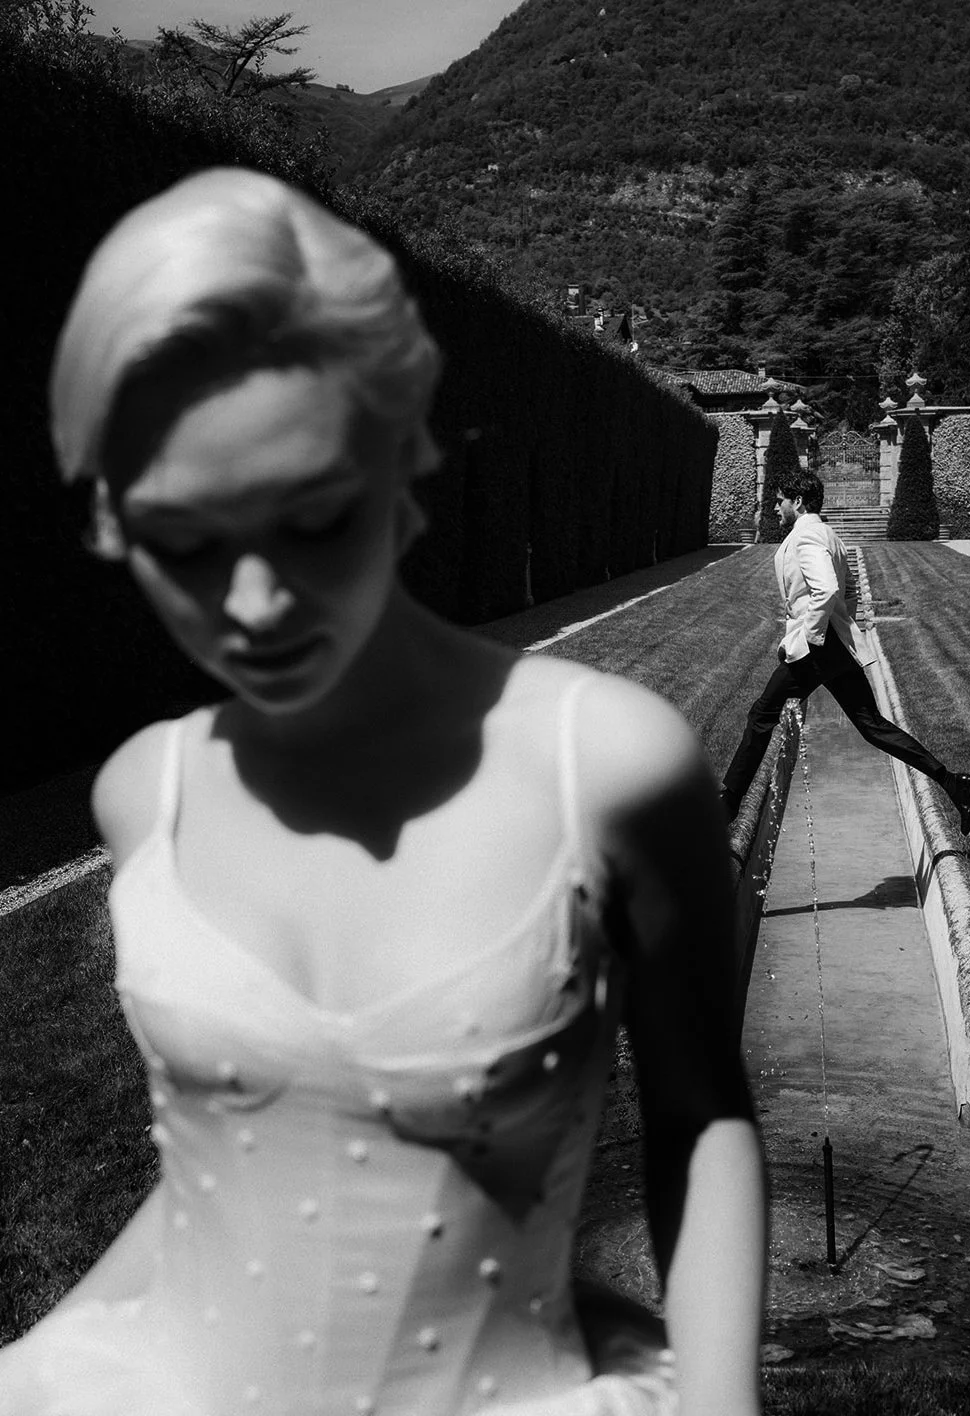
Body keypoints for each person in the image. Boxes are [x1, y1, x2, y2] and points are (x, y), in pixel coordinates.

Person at [0, 169, 766, 1416]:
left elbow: (703, 1118)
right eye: (183, 546)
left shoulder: (609, 768)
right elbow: (224, 1157)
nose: (253, 605)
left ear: (405, 458)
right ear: (109, 522)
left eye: (314, 520)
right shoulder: (145, 794)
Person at [719, 468, 970, 835]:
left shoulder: (806, 536)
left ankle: (727, 804)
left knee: (762, 714)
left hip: (817, 647)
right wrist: (841, 627)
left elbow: (825, 590)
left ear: (799, 502)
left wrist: (809, 640)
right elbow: (850, 588)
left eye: (780, 501)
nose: (775, 507)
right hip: (833, 644)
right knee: (872, 726)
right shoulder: (828, 534)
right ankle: (954, 784)